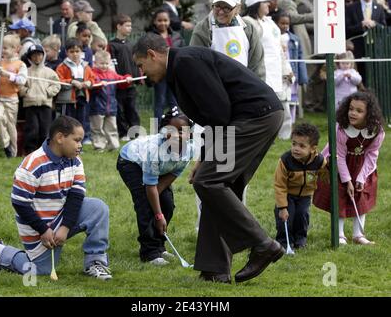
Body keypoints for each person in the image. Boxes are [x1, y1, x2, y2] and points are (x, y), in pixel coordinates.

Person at [133, 34, 285, 283]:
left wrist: (204, 158)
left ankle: (262, 244)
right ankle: (215, 270)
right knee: (220, 187)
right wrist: (205, 158)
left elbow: (218, 112)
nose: (141, 72)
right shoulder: (180, 67)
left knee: (208, 181)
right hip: (257, 116)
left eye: (141, 64)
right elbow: (215, 114)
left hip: (254, 117)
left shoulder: (185, 62)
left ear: (152, 54)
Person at [0, 116, 112, 280]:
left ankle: (95, 262)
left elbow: (76, 195)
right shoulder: (32, 164)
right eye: (77, 140)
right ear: (60, 138)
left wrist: (65, 227)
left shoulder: (75, 161)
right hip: (37, 226)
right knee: (38, 270)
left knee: (98, 208)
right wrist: (43, 230)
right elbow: (20, 203)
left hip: (61, 217)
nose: (80, 145)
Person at [117, 108, 195, 265]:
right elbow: (150, 186)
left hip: (161, 169)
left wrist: (159, 204)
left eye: (181, 131)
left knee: (167, 203)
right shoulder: (154, 150)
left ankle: (160, 246)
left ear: (190, 134)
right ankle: (150, 252)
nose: (176, 135)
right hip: (131, 161)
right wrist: (158, 215)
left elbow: (173, 173)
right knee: (146, 205)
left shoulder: (189, 150)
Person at [313, 92, 385, 245]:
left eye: (359, 111)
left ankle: (358, 234)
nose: (353, 113)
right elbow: (338, 155)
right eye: (351, 109)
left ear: (368, 114)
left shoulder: (376, 130)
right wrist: (347, 180)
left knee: (362, 195)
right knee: (339, 195)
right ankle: (339, 234)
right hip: (340, 163)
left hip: (362, 165)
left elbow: (372, 154)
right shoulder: (341, 128)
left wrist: (360, 178)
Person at [244, 0, 293, 140]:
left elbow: (278, 48)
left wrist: (286, 69)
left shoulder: (270, 22)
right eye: (265, 2)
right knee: (264, 106)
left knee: (283, 105)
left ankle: (283, 136)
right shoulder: (248, 22)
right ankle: (263, 135)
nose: (269, 4)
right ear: (256, 4)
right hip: (261, 72)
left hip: (277, 71)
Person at [274, 123, 327, 250]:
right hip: (287, 196)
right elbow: (279, 185)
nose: (296, 148)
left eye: (302, 146)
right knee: (287, 217)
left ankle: (300, 240)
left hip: (305, 196)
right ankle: (284, 241)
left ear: (313, 148)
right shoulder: (285, 160)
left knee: (302, 216)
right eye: (294, 144)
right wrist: (282, 207)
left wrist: (331, 168)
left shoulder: (319, 161)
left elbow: (326, 177)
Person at [190, 0, 266, 80]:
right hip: (215, 87)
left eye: (226, 8)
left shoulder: (248, 29)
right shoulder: (203, 29)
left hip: (245, 87)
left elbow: (257, 66)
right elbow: (197, 65)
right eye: (217, 6)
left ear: (238, 9)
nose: (221, 12)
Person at [19, 45, 61, 154]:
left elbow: (56, 84)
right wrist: (26, 92)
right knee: (32, 129)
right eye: (34, 55)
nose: (37, 58)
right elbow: (19, 85)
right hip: (30, 104)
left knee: (45, 129)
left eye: (39, 55)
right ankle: (30, 150)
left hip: (45, 104)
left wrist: (48, 92)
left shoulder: (49, 72)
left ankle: (45, 150)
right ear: (29, 57)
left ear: (43, 56)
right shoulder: (26, 72)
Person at [0, 34, 28, 158]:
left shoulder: (20, 64)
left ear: (15, 49)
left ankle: (13, 151)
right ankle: (5, 145)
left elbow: (22, 80)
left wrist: (7, 74)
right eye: (2, 47)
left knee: (11, 125)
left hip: (12, 99)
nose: (3, 50)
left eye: (5, 48)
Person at [89, 50, 132, 152]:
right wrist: (99, 83)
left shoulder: (112, 73)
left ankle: (113, 145)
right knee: (97, 128)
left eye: (106, 63)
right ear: (95, 63)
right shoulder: (93, 73)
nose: (104, 66)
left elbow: (121, 81)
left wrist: (127, 79)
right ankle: (99, 146)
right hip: (97, 106)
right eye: (101, 63)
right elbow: (91, 84)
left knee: (112, 127)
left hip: (111, 106)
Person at [147, 8, 184, 124]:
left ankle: (177, 126)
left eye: (165, 20)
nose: (163, 23)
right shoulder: (150, 37)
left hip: (173, 73)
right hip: (159, 74)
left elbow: (182, 52)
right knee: (160, 101)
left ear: (169, 21)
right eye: (159, 20)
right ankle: (156, 128)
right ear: (154, 22)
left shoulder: (177, 36)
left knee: (174, 101)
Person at [56, 38, 95, 142]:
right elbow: (58, 79)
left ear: (81, 52)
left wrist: (89, 82)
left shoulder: (85, 66)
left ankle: (80, 140)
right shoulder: (62, 66)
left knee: (81, 120)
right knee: (68, 121)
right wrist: (71, 81)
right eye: (71, 51)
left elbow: (93, 78)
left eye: (77, 51)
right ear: (66, 52)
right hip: (68, 99)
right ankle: (66, 141)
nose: (75, 54)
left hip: (82, 97)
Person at [109, 14, 141, 141]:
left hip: (131, 84)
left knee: (132, 109)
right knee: (120, 110)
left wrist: (138, 77)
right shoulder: (111, 45)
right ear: (118, 26)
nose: (130, 28)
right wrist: (118, 78)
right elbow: (111, 65)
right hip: (119, 85)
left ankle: (135, 133)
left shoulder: (131, 45)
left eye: (130, 26)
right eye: (127, 26)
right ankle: (122, 133)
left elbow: (135, 63)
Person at [274, 10, 308, 126]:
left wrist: (302, 77)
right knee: (280, 98)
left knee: (292, 100)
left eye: (287, 24)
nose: (285, 26)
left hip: (292, 73)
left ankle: (291, 122)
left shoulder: (294, 39)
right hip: (279, 72)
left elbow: (300, 57)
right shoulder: (273, 37)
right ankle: (280, 122)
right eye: (282, 23)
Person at [345, 0, 386, 81]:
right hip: (358, 50)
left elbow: (384, 28)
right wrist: (361, 25)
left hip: (375, 50)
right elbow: (347, 29)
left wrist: (375, 24)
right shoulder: (351, 8)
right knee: (360, 77)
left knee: (376, 77)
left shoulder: (379, 8)